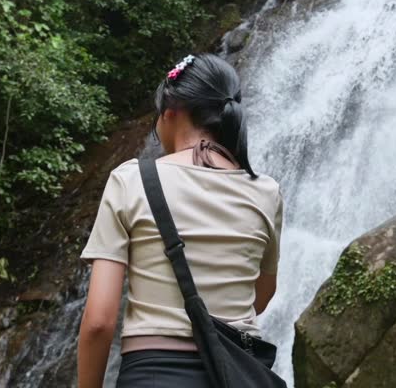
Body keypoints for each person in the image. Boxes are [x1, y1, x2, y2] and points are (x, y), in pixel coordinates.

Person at [76, 53, 284, 387]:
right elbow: (262, 293)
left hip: (154, 375)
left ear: (170, 112)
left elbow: (99, 321)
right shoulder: (266, 191)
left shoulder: (131, 180)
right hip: (240, 375)